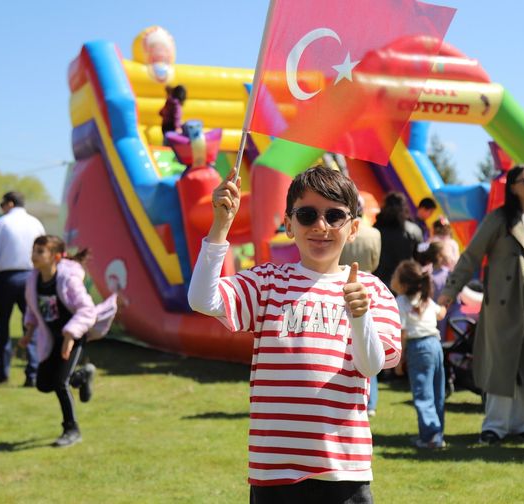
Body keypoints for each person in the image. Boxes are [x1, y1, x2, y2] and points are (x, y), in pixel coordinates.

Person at [188, 166, 402, 502]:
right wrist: (220, 227)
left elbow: (372, 366)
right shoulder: (267, 282)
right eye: (307, 215)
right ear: (288, 224)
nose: (320, 226)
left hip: (343, 469)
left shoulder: (372, 290)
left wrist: (359, 315)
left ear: (353, 229)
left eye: (335, 216)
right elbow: (202, 298)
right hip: (274, 470)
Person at [438, 165, 524, 445]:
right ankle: (494, 426)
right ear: (513, 186)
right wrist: (450, 291)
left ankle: (521, 425)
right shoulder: (498, 219)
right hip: (503, 307)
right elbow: (470, 257)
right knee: (501, 365)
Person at [19, 235, 116, 448]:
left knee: (60, 383)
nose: (34, 256)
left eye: (40, 251)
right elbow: (32, 308)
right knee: (44, 384)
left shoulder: (67, 279)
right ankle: (82, 375)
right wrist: (28, 331)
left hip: (74, 336)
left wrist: (71, 336)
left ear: (55, 256)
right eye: (34, 250)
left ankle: (72, 430)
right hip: (52, 339)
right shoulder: (33, 280)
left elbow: (87, 310)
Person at [0, 191, 45, 386]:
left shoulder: (1, 224)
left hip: (5, 277)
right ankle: (33, 373)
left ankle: (2, 372)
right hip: (31, 276)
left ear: (10, 204)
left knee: (2, 327)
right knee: (31, 325)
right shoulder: (35, 223)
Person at [392, 260, 447, 449]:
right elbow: (441, 314)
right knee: (437, 392)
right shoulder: (426, 300)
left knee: (423, 394)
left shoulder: (400, 302)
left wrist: (399, 360)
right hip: (435, 345)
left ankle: (431, 437)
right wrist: (445, 302)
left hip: (419, 348)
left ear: (404, 284)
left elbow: (403, 332)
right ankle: (436, 434)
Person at [340, 195, 383, 417]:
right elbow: (375, 261)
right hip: (367, 286)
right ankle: (371, 402)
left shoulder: (340, 231)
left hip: (341, 286)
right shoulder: (374, 234)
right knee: (367, 339)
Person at [373, 192, 423, 289]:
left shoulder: (376, 228)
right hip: (404, 284)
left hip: (377, 282)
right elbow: (419, 259)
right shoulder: (414, 231)